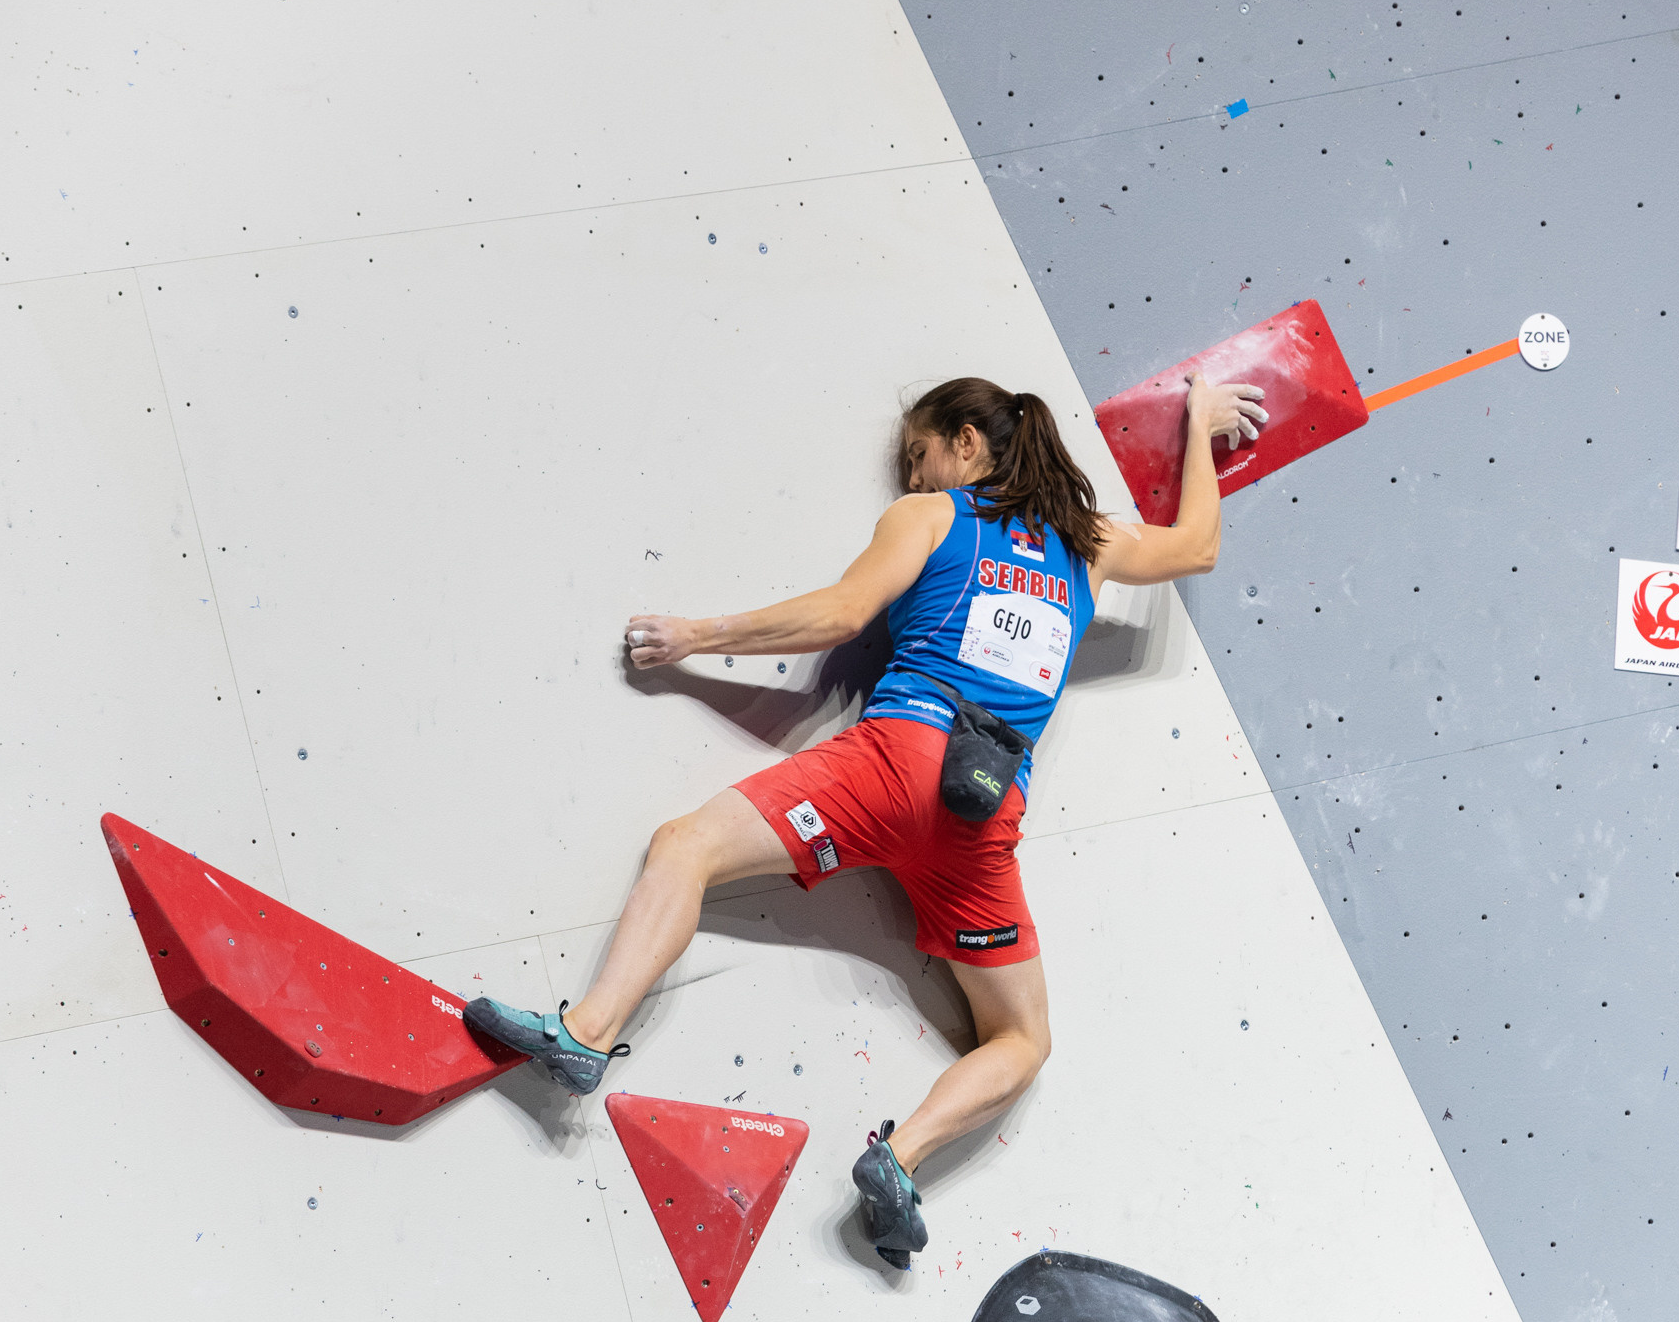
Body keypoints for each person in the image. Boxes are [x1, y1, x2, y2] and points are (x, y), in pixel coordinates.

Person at [467, 370, 1265, 1265]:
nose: (912, 481)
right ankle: (902, 1159)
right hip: (981, 815)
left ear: (967, 443)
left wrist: (695, 637)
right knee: (1023, 1038)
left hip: (892, 765)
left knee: (684, 847)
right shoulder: (1089, 545)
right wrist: (1197, 426)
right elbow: (1195, 548)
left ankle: (585, 1037)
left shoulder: (934, 518)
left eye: (919, 457)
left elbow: (842, 613)